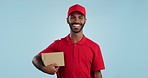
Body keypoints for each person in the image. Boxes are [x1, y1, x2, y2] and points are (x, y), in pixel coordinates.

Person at [32, 4, 105, 78]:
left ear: (85, 21)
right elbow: (36, 59)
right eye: (73, 17)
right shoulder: (58, 44)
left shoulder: (94, 47)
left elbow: (97, 74)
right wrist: (44, 69)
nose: (76, 20)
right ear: (67, 20)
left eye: (80, 17)